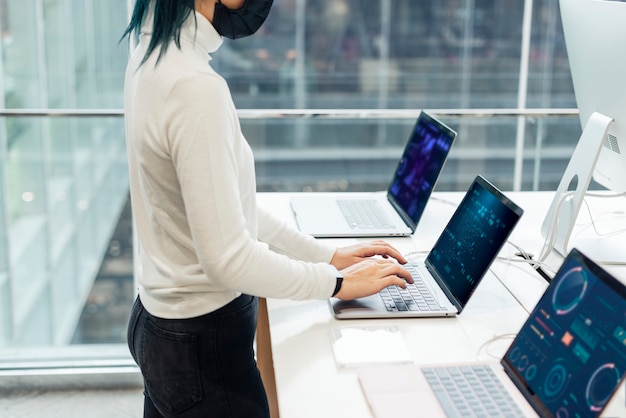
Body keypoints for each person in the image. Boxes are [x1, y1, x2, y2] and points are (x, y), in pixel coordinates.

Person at [121, 1, 412, 417]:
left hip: (161, 329)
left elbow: (226, 205)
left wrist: (325, 255)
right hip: (202, 348)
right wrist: (335, 284)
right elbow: (228, 259)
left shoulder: (150, 54)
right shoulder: (193, 86)